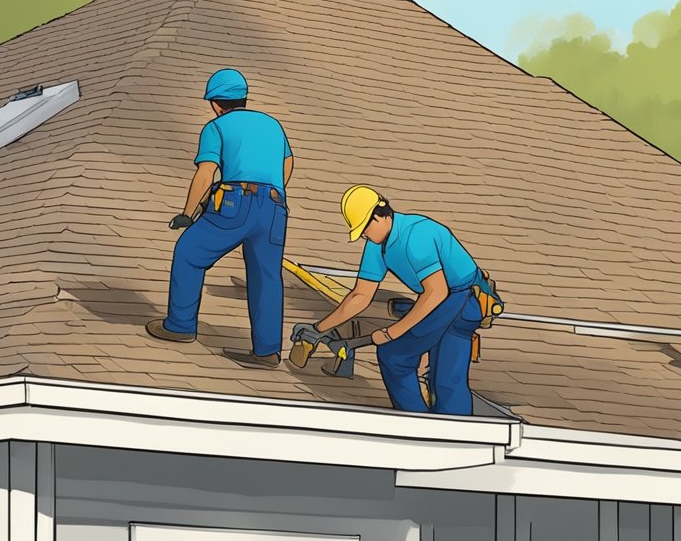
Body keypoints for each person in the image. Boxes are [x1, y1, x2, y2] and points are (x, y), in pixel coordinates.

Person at [146, 68, 293, 369]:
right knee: (266, 276)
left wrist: (187, 214)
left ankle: (180, 326)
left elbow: (206, 171)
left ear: (215, 102)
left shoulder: (216, 127)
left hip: (236, 202)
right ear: (244, 98)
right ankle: (267, 351)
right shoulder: (272, 125)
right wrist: (271, 194)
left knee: (189, 252)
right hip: (275, 207)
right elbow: (288, 163)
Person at [312, 185, 484, 415]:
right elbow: (360, 296)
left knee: (396, 355)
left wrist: (391, 332)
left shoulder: (416, 235)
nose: (364, 235)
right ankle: (445, 428)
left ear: (378, 216)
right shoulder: (377, 245)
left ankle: (420, 423)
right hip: (452, 301)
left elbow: (436, 292)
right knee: (445, 378)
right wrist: (318, 329)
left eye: (364, 228)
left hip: (461, 299)